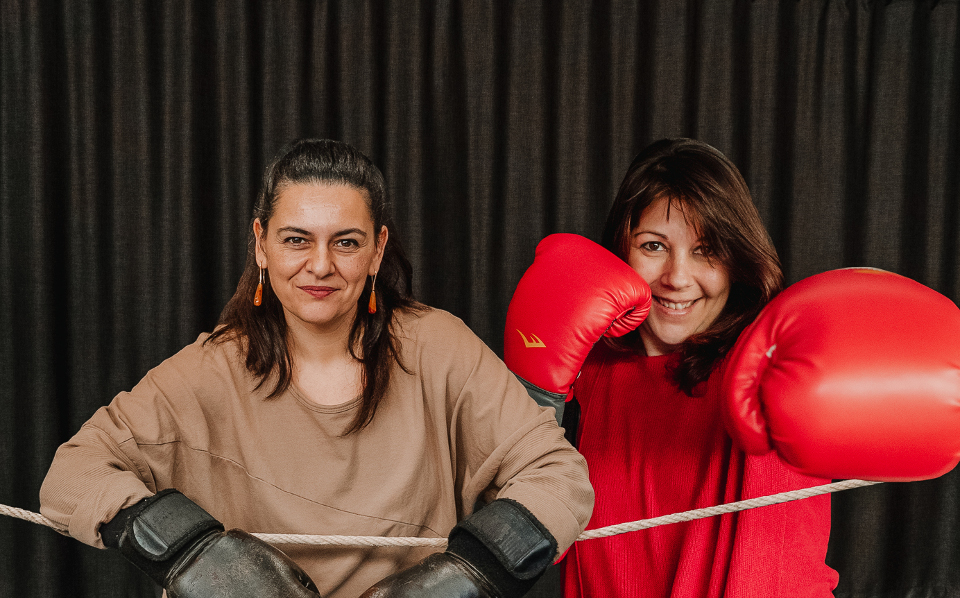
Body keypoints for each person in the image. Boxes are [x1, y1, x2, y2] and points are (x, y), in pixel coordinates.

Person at [38, 138, 594, 598]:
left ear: (377, 251)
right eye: (296, 240)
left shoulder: (437, 347)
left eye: (345, 242)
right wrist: (191, 552)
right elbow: (73, 475)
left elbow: (559, 477)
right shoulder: (211, 370)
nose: (320, 265)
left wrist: (471, 576)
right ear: (261, 245)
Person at [506, 138, 838, 597]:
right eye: (654, 245)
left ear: (736, 261)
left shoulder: (767, 364)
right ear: (621, 250)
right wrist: (537, 395)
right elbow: (536, 536)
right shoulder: (591, 367)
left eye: (706, 250)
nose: (678, 277)